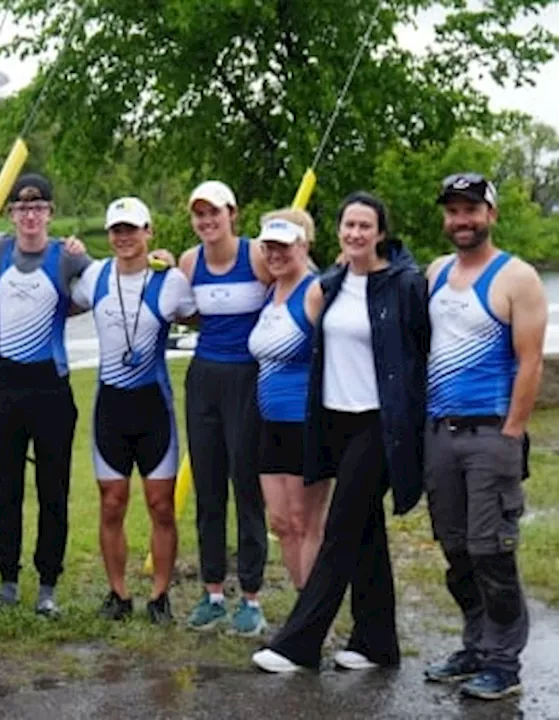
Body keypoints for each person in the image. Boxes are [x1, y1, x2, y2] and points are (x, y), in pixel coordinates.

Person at [253, 192, 429, 673]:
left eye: (364, 226)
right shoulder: (329, 285)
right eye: (348, 225)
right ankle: (377, 642)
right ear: (338, 232)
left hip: (379, 424)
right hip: (336, 421)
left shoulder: (403, 284)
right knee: (367, 532)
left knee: (340, 530)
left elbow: (419, 356)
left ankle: (299, 645)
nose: (355, 234)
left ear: (380, 234)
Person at [422, 174, 545, 700]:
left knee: (491, 550)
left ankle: (503, 662)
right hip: (439, 434)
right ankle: (474, 646)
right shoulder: (435, 272)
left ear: (490, 214)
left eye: (471, 210)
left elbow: (531, 360)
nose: (461, 220)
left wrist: (512, 432)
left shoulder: (516, 277)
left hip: (491, 432)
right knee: (455, 549)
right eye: (453, 211)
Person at [71, 198, 195, 623]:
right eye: (116, 231)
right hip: (111, 407)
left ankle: (160, 596)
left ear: (148, 231)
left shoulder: (172, 280)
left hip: (153, 407)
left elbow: (203, 320)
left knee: (161, 506)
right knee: (112, 503)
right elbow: (56, 291)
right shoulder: (95, 276)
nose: (124, 238)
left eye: (132, 229)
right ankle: (118, 594)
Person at [0, 174, 92, 618]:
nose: (30, 216)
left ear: (50, 212)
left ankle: (47, 586)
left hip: (51, 387)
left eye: (39, 208)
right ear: (12, 215)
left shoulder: (66, 258)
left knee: (53, 491)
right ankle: (7, 581)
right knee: (4, 491)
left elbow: (113, 280)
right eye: (22, 209)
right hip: (5, 386)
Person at [177, 180, 272, 635]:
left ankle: (251, 597)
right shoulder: (190, 261)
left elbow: (297, 286)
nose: (207, 222)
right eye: (199, 215)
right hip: (204, 378)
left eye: (214, 213)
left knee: (246, 488)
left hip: (248, 377)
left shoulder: (256, 256)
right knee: (208, 488)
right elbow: (183, 311)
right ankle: (213, 591)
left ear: (233, 214)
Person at [246, 211, 332, 592]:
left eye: (284, 246)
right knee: (281, 523)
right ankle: (303, 611)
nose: (275, 255)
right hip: (269, 423)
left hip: (306, 423)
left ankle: (312, 620)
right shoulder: (270, 291)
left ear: (304, 246)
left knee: (305, 522)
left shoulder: (315, 292)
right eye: (269, 247)